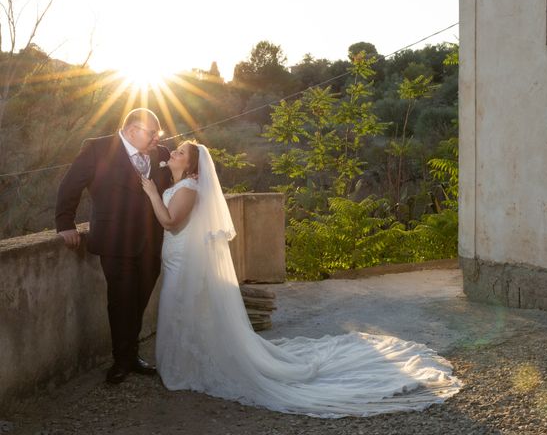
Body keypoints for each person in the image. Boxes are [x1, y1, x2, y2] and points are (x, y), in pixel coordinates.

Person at [141, 141, 462, 418]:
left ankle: (186, 369)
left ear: (192, 164)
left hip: (183, 260)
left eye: (181, 151)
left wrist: (153, 193)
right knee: (183, 310)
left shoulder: (188, 189)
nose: (174, 152)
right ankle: (185, 365)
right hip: (177, 257)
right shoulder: (180, 183)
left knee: (181, 307)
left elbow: (170, 222)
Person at [56, 108, 172, 384]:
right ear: (132, 130)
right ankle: (121, 360)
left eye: (158, 133)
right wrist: (65, 224)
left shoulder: (163, 154)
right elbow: (70, 186)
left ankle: (132, 355)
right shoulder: (97, 149)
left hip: (152, 242)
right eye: (151, 133)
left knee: (140, 300)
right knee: (120, 301)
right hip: (114, 240)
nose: (156, 138)